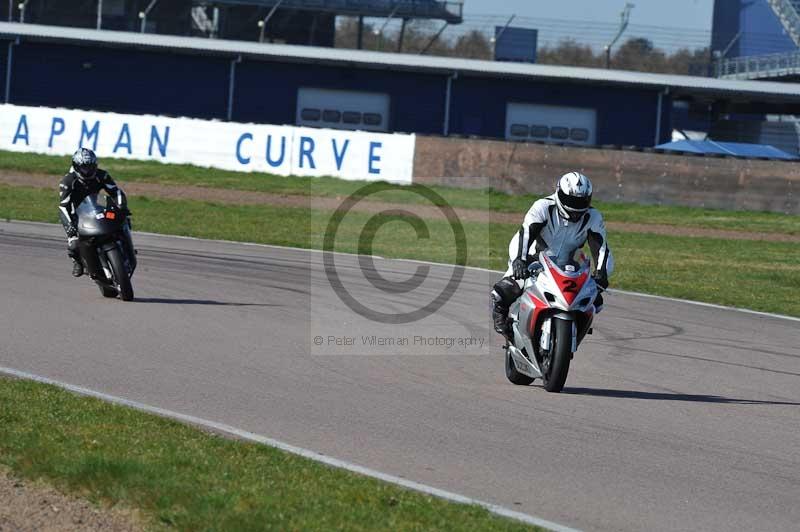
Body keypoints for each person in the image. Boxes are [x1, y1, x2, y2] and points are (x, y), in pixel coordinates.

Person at [491, 171, 613, 339]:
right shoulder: (543, 206)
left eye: (581, 201)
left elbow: (601, 248)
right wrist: (520, 259)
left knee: (595, 301)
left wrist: (602, 274)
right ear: (559, 193)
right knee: (511, 286)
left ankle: (574, 329)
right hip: (533, 255)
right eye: (571, 201)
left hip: (568, 263)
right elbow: (526, 233)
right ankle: (500, 312)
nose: (576, 206)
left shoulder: (593, 216)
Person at [58, 148, 129, 277]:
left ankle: (126, 249)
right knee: (74, 244)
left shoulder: (102, 175)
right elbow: (63, 207)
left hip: (98, 205)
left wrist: (121, 207)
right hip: (78, 213)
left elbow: (116, 192)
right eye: (84, 168)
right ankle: (78, 261)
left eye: (91, 167)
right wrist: (70, 227)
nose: (88, 171)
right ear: (76, 167)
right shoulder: (68, 181)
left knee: (123, 222)